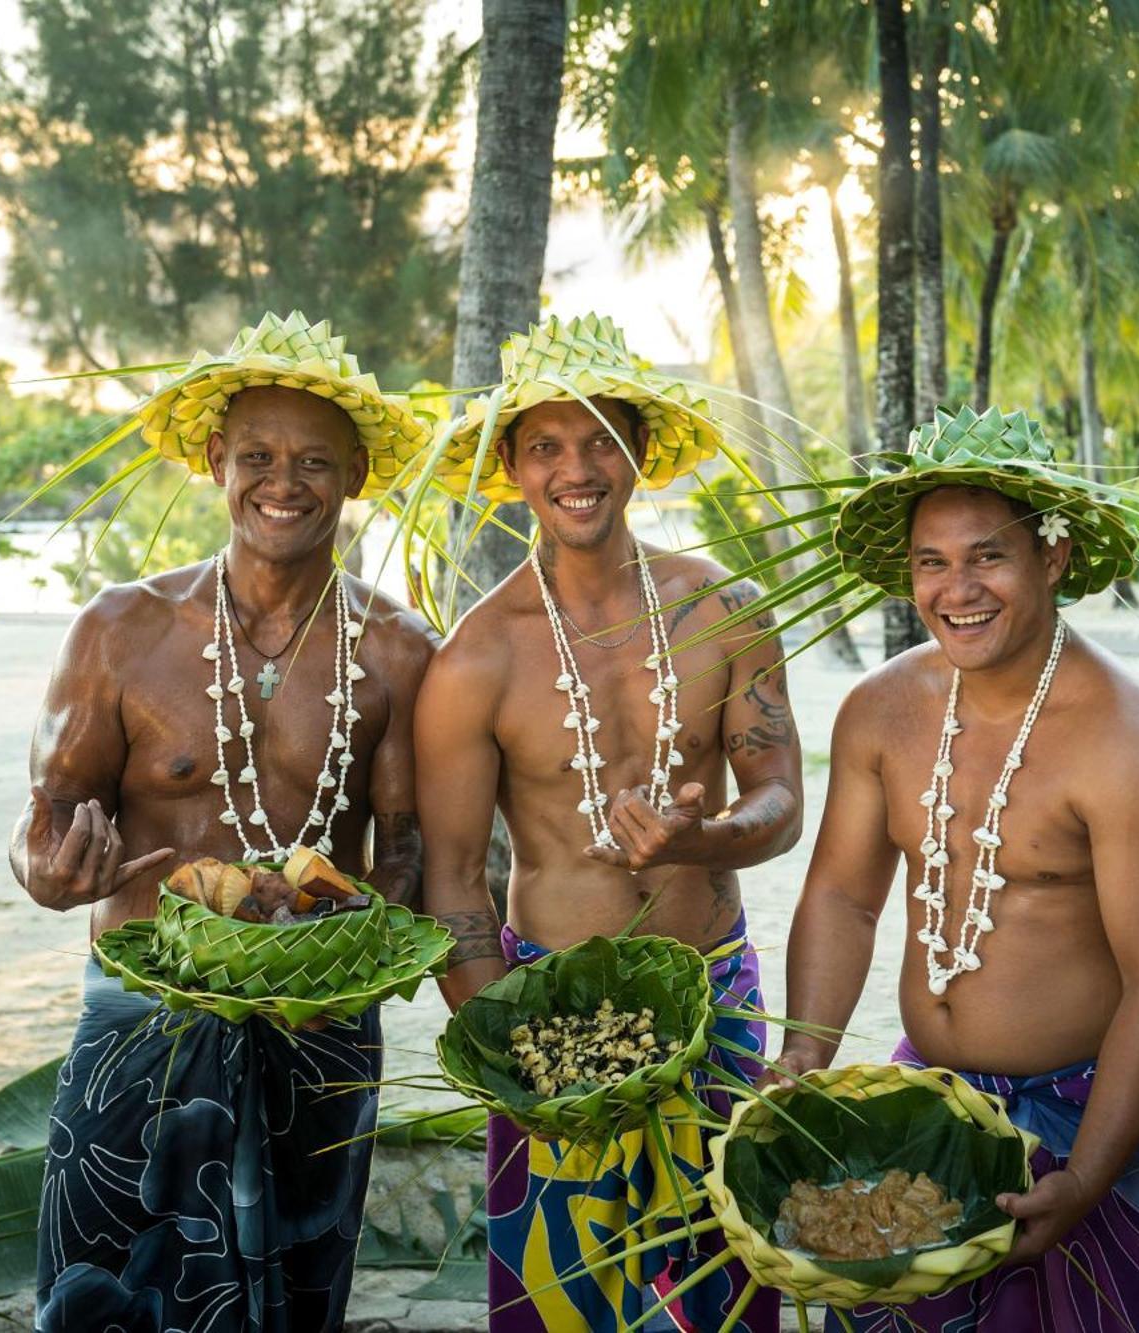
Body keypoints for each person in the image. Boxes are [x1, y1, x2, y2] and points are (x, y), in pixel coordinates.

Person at [14, 312, 438, 1332]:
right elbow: (42, 825)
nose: (281, 482)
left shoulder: (395, 649)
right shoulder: (120, 629)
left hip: (319, 1025)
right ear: (215, 461)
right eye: (256, 456)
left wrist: (356, 938)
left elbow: (409, 844)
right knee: (96, 1288)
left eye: (312, 461)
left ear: (355, 474)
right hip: (137, 1016)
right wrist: (52, 873)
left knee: (294, 1295)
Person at [769, 406, 1139, 1332]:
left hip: (1102, 1109)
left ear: (1052, 557)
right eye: (931, 561)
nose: (955, 588)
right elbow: (845, 897)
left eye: (988, 556)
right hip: (931, 1101)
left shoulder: (1134, 741)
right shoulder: (880, 709)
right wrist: (805, 1050)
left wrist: (1087, 1172)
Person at [415, 314, 802, 1332]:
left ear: (636, 455)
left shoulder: (723, 607)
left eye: (599, 441)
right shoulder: (476, 656)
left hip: (711, 988)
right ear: (510, 467)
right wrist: (504, 1048)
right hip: (546, 1017)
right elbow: (450, 875)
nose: (574, 468)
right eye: (544, 445)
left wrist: (699, 840)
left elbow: (779, 802)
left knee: (723, 1280)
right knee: (564, 1298)